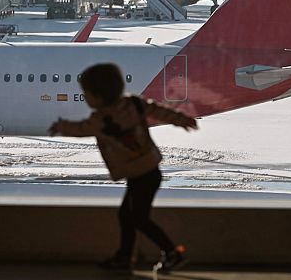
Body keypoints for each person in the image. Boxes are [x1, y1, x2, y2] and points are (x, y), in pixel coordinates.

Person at [49, 63, 197, 273]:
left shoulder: (99, 119)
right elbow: (158, 111)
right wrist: (180, 119)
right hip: (149, 172)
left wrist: (61, 126)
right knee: (128, 216)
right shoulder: (134, 104)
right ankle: (125, 257)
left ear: (98, 96)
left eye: (86, 94)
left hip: (139, 175)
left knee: (137, 218)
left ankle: (171, 253)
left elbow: (80, 129)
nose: (85, 98)